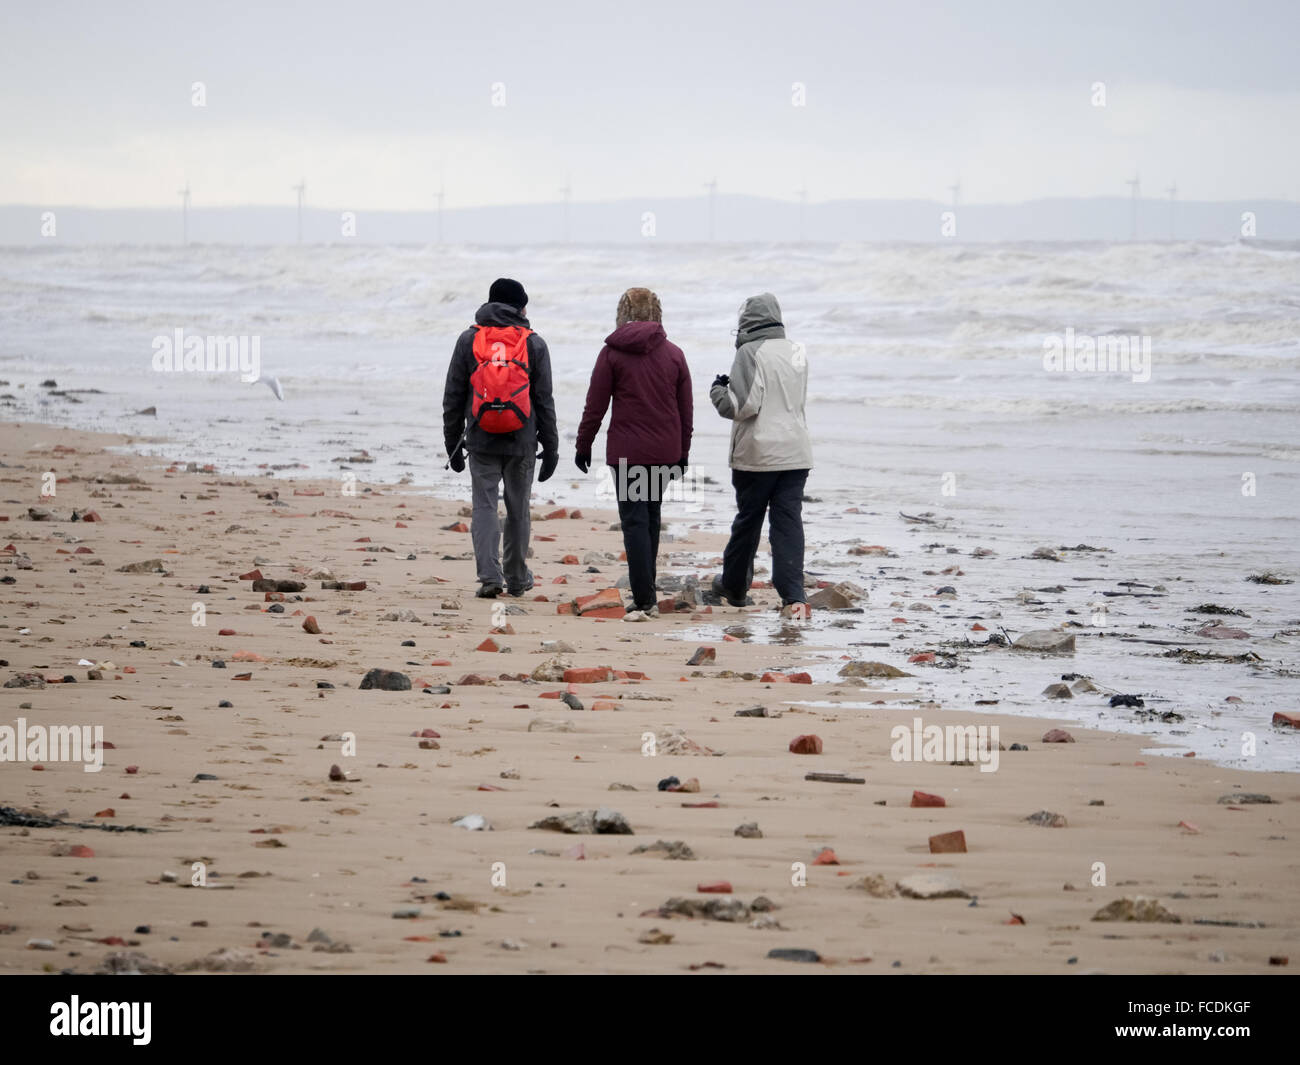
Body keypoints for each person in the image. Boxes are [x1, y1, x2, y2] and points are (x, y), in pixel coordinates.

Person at [575, 287, 692, 621]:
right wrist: (683, 452)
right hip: (665, 451)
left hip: (627, 452)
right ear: (658, 313)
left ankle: (644, 600)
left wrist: (584, 444)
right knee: (651, 518)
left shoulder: (612, 354)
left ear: (622, 313)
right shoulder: (674, 354)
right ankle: (647, 593)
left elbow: (594, 406)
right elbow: (686, 411)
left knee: (636, 522)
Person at [442, 278, 558, 598]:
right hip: (521, 440)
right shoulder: (534, 343)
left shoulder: (469, 340)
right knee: (518, 509)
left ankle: (490, 577)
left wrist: (451, 443)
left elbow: (453, 396)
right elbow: (544, 401)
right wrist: (552, 448)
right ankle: (518, 578)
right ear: (521, 307)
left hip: (480, 438)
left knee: (484, 507)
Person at [708, 292, 811, 618]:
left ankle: (735, 587)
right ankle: (793, 595)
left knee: (749, 520)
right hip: (796, 451)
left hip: (759, 453)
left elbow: (742, 406)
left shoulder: (749, 352)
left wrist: (718, 391)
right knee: (787, 521)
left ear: (746, 322)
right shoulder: (797, 351)